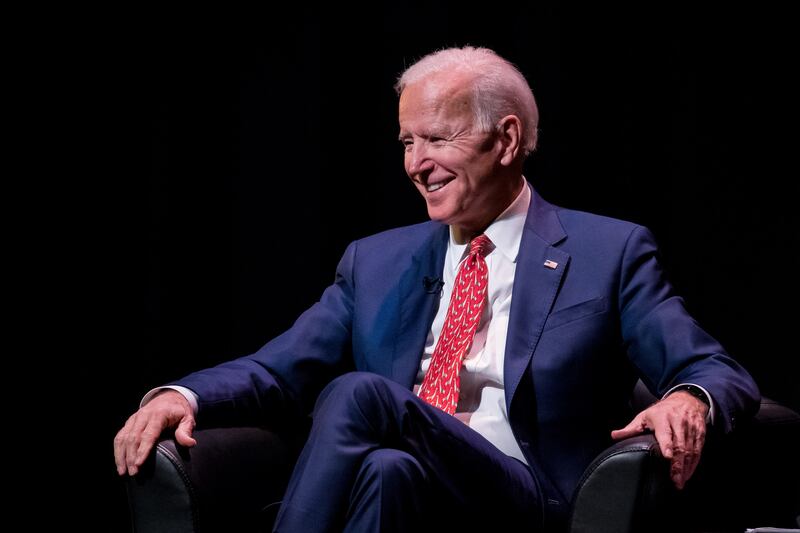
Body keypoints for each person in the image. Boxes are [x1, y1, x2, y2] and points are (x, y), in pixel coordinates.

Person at [115, 46, 760, 532]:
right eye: (406, 141)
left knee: (361, 395)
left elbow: (713, 367)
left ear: (505, 139)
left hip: (529, 495)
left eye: (436, 139)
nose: (414, 163)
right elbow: (278, 370)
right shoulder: (375, 261)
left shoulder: (608, 253)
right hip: (409, 488)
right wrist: (182, 394)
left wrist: (691, 399)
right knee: (385, 468)